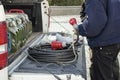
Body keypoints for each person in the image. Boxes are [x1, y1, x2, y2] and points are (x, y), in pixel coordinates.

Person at [71, 0, 120, 80]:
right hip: (114, 41)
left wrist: (80, 29)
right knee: (112, 73)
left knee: (101, 75)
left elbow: (94, 25)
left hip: (103, 44)